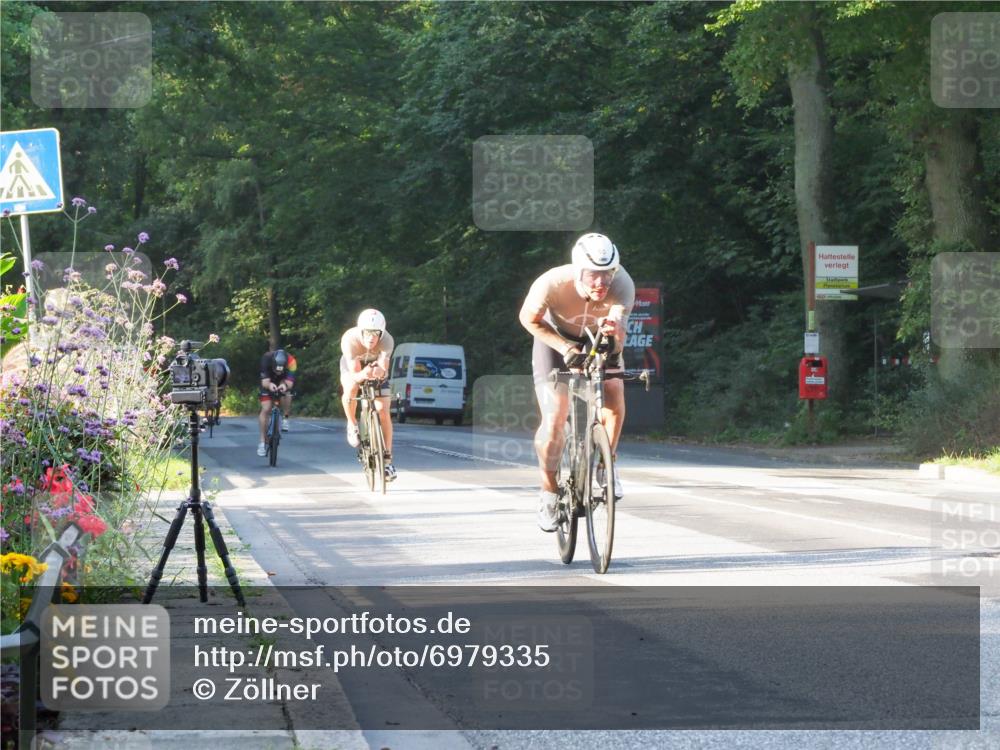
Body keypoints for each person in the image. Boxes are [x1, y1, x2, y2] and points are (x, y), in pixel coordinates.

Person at [518, 233, 635, 532]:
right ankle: (548, 491)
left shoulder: (623, 285)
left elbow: (617, 341)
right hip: (556, 340)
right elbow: (528, 319)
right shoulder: (552, 283)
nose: (601, 283)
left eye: (607, 274)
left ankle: (605, 465)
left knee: (614, 392)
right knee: (555, 417)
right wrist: (565, 348)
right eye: (593, 275)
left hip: (598, 338)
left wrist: (615, 335)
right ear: (577, 270)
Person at [340, 308, 397, 481]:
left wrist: (379, 371)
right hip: (354, 365)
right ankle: (352, 424)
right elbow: (356, 375)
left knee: (383, 410)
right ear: (360, 331)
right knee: (351, 387)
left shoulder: (387, 341)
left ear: (382, 333)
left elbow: (384, 367)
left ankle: (387, 461)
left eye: (376, 334)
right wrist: (363, 374)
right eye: (367, 333)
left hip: (374, 365)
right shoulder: (350, 340)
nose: (371, 338)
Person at [257, 348, 297, 457]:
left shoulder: (291, 362)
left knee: (287, 393)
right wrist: (270, 385)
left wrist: (284, 385)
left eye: (280, 370)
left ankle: (286, 418)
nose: (278, 371)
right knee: (266, 408)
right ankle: (262, 442)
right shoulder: (266, 359)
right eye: (277, 369)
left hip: (283, 379)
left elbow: (290, 382)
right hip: (269, 379)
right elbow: (265, 382)